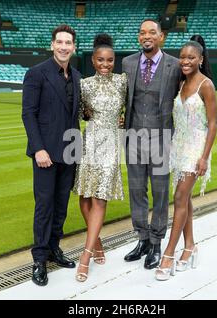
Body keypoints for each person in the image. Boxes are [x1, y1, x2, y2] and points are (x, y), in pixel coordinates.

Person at [22, 24, 81, 287]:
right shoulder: (36, 73)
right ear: (52, 45)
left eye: (68, 43)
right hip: (45, 153)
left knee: (60, 206)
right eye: (60, 42)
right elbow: (28, 113)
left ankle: (55, 249)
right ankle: (40, 259)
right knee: (44, 207)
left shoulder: (78, 76)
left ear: (74, 47)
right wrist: (39, 149)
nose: (64, 46)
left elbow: (77, 115)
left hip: (70, 151)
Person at [155, 38, 217, 281]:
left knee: (179, 197)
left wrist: (204, 157)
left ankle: (168, 254)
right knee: (185, 198)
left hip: (196, 148)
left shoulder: (206, 85)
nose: (185, 61)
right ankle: (190, 246)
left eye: (191, 57)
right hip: (178, 147)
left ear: (200, 59)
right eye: (182, 57)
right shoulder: (181, 83)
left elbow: (212, 124)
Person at [122, 19, 182, 270]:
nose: (146, 36)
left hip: (161, 139)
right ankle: (142, 239)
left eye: (152, 32)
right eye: (142, 32)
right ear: (139, 37)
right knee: (137, 192)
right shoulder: (127, 63)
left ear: (161, 37)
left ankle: (157, 243)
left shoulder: (176, 65)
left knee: (159, 194)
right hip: (133, 138)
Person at [72, 33, 127, 282]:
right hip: (90, 144)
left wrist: (123, 119)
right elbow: (83, 113)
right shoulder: (84, 85)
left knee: (99, 199)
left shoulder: (122, 82)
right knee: (84, 199)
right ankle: (98, 243)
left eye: (110, 61)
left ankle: (85, 256)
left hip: (110, 147)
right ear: (93, 61)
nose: (106, 65)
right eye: (101, 60)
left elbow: (129, 108)